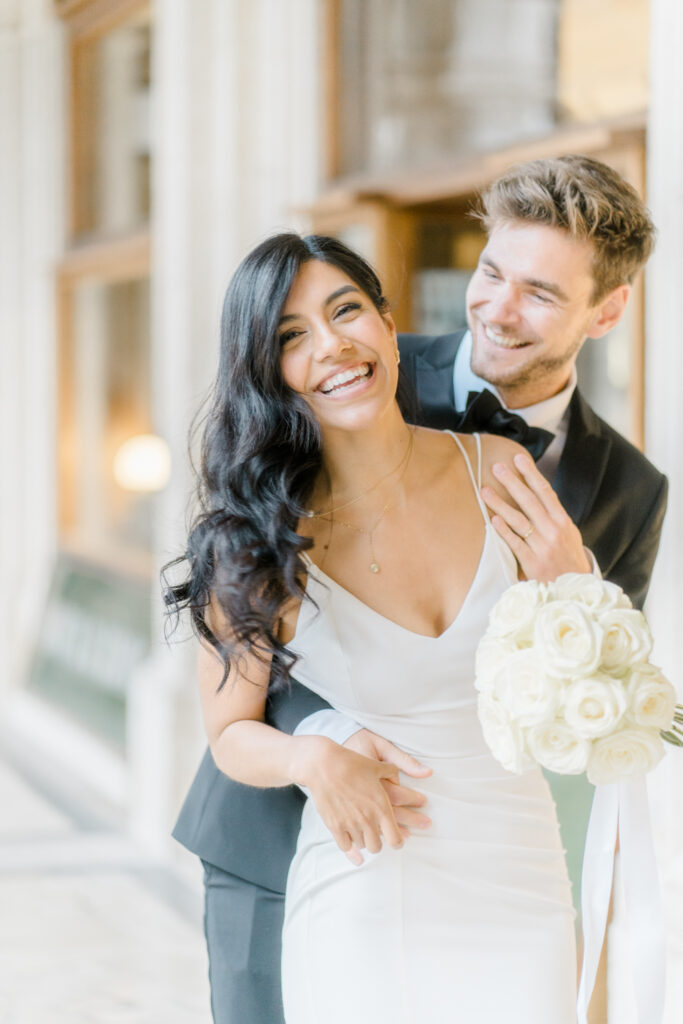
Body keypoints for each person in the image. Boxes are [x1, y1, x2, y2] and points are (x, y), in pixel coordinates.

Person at [172, 155, 667, 1023]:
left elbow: (593, 722)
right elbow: (244, 700)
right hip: (291, 842)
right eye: (489, 273)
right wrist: (320, 742)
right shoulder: (353, 377)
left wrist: (572, 586)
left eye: (541, 294)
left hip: (504, 859)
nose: (497, 310)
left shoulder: (624, 488)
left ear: (608, 310)